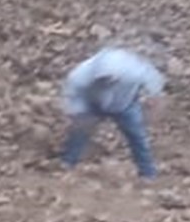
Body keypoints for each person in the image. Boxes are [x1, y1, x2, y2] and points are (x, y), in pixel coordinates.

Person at [61, 48, 165, 180]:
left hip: (124, 105)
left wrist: (155, 99)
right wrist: (80, 113)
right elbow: (73, 95)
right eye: (102, 80)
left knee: (137, 137)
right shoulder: (81, 75)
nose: (106, 82)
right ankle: (67, 163)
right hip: (93, 104)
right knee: (79, 133)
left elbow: (154, 79)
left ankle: (148, 173)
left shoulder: (133, 71)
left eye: (109, 80)